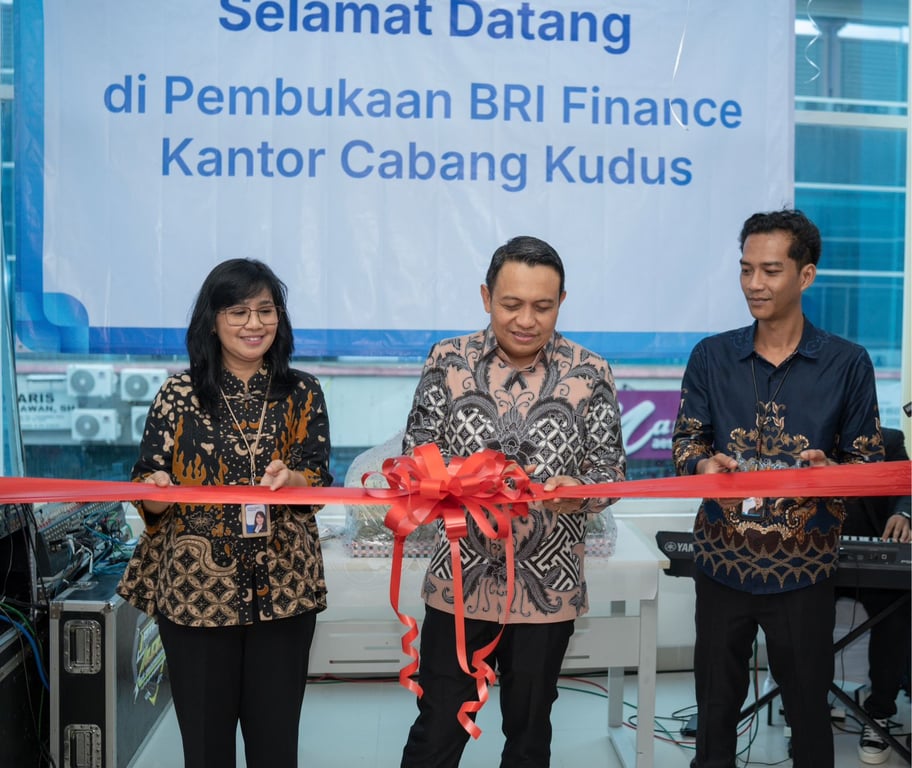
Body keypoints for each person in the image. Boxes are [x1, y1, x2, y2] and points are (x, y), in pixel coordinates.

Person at [399, 235, 627, 768]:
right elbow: (416, 453)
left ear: (561, 302)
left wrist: (579, 492)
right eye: (511, 304)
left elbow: (611, 473)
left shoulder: (590, 371)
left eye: (542, 306)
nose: (526, 320)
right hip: (459, 584)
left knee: (528, 733)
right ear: (486, 297)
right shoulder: (447, 360)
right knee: (438, 727)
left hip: (547, 590)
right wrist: (462, 478)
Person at [671, 209, 884, 768]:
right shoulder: (712, 356)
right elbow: (686, 442)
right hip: (721, 561)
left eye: (770, 270)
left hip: (803, 569)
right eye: (746, 270)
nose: (754, 284)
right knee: (714, 710)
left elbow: (868, 462)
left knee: (808, 713)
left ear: (805, 275)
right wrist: (702, 465)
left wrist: (830, 470)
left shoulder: (847, 363)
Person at [117, 258, 332, 768]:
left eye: (265, 310)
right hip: (195, 595)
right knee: (206, 749)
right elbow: (147, 487)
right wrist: (157, 491)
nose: (254, 323)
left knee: (275, 747)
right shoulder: (178, 394)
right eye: (238, 312)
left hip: (284, 591)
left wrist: (292, 480)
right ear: (212, 321)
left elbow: (318, 481)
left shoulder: (302, 392)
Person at [839, 426, 911, 764]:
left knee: (897, 614)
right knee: (796, 615)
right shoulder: (807, 436)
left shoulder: (890, 441)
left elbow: (907, 486)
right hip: (817, 561)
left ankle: (878, 714)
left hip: (876, 560)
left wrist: (903, 514)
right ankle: (805, 708)